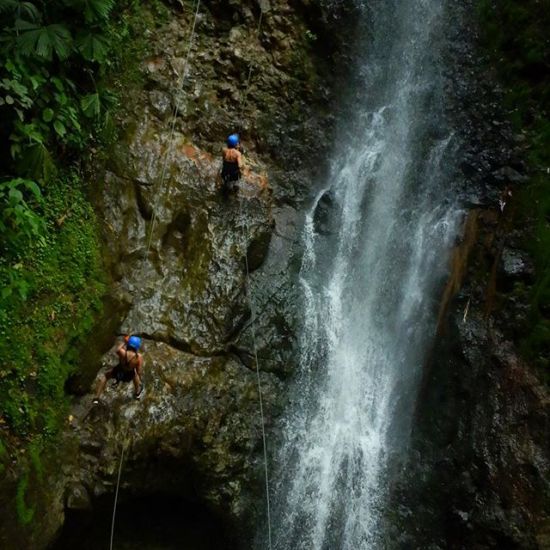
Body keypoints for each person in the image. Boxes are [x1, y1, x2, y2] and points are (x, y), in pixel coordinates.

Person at [93, 335, 144, 404]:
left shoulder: (122, 352)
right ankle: (137, 394)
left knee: (105, 376)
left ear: (128, 344)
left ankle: (96, 398)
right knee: (135, 375)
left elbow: (117, 349)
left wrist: (125, 342)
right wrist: (139, 375)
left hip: (118, 371)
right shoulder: (139, 357)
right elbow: (139, 371)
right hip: (128, 375)